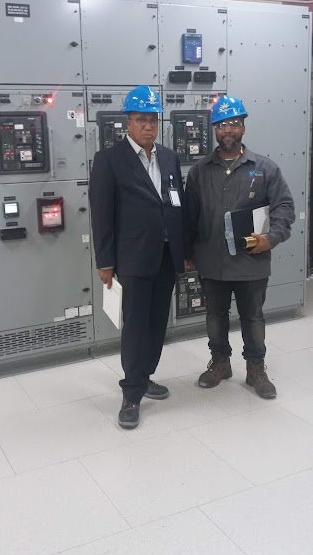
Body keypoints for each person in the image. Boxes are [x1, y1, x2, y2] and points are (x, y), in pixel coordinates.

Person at [89, 85, 190, 429]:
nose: (148, 126)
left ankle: (145, 376)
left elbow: (177, 205)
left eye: (153, 119)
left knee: (157, 321)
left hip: (165, 256)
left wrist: (184, 250)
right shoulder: (110, 160)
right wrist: (105, 261)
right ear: (127, 122)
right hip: (132, 258)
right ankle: (131, 393)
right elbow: (101, 214)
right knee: (135, 326)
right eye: (141, 119)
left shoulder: (168, 157)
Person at [185, 95, 295, 399]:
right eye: (222, 125)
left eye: (234, 123)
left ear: (243, 127)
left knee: (253, 317)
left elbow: (284, 208)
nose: (228, 130)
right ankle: (220, 363)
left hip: (251, 261)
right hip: (211, 261)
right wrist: (187, 253)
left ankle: (255, 368)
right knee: (215, 317)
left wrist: (270, 238)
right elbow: (189, 217)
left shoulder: (264, 168)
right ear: (214, 130)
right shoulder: (199, 171)